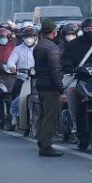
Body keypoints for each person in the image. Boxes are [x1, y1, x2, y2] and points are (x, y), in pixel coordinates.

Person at [33, 20, 64, 157]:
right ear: (53, 32)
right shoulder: (52, 48)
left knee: (43, 115)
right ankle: (46, 146)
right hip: (50, 86)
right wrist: (61, 89)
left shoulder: (39, 45)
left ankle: (42, 142)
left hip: (41, 84)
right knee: (49, 117)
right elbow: (54, 70)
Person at [11, 25, 37, 128]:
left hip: (37, 78)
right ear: (23, 38)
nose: (29, 39)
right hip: (22, 77)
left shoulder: (39, 48)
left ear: (36, 37)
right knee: (17, 98)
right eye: (27, 37)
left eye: (32, 36)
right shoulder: (18, 49)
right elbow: (12, 59)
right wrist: (12, 66)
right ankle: (14, 114)